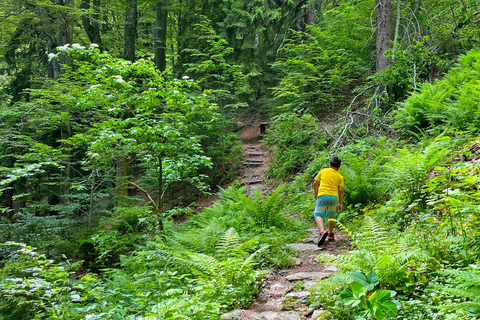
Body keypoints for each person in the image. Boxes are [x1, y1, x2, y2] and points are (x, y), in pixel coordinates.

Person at [313, 156, 344, 246]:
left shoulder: (324, 171)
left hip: (323, 195)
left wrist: (316, 193)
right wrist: (340, 203)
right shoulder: (340, 176)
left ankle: (323, 231)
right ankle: (330, 234)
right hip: (334, 197)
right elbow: (341, 190)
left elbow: (315, 183)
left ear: (329, 165)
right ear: (339, 166)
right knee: (331, 216)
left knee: (318, 214)